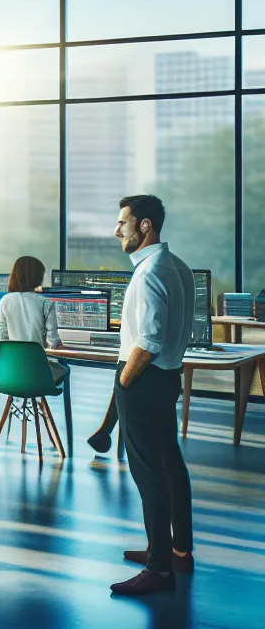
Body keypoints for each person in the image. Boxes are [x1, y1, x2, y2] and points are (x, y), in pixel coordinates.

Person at [109, 194, 196, 595]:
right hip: (167, 379)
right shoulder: (177, 266)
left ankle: (159, 569)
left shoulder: (148, 273)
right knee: (170, 467)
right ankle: (177, 551)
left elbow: (147, 341)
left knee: (149, 477)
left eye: (123, 223)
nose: (117, 230)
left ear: (145, 226)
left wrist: (124, 381)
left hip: (143, 383)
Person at [0, 255, 68, 385]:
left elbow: (0, 339)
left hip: (9, 375)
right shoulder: (45, 303)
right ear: (38, 277)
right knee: (64, 369)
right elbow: (53, 342)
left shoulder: (4, 302)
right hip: (38, 375)